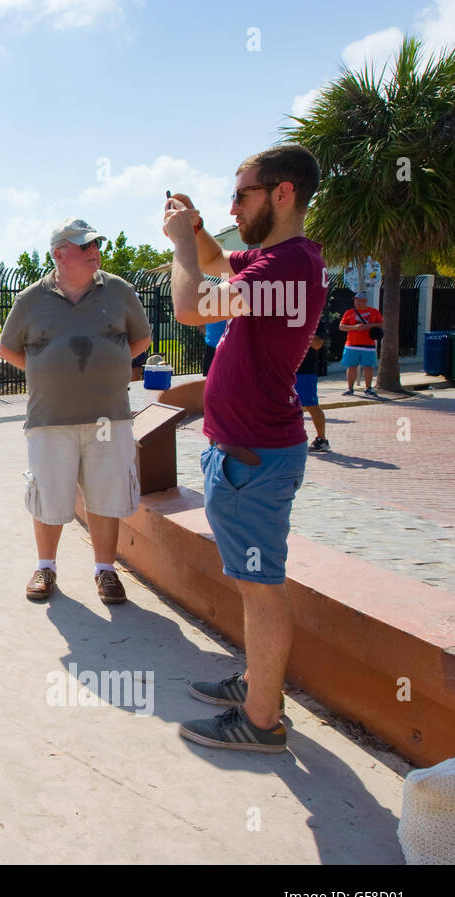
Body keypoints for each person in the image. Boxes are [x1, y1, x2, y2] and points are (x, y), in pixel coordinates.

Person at [164, 144, 329, 753]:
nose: (233, 205)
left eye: (243, 194)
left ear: (283, 193)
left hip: (253, 458)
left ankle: (261, 724)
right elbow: (217, 261)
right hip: (248, 455)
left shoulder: (284, 267)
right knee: (253, 581)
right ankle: (259, 684)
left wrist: (181, 243)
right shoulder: (280, 261)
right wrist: (201, 230)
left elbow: (190, 306)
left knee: (261, 588)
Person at [0, 218, 153, 605]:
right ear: (58, 255)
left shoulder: (119, 291)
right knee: (48, 495)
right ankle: (45, 567)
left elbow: (142, 338)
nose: (93, 251)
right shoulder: (30, 299)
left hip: (109, 417)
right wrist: (47, 370)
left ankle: (105, 571)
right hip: (49, 418)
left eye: (95, 244)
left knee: (107, 495)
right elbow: (8, 349)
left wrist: (109, 364)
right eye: (83, 246)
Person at [299, 313, 332, 452]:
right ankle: (294, 438)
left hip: (305, 370)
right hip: (285, 367)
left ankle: (322, 439)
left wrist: (303, 329)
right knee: (289, 406)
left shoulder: (315, 318)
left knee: (311, 405)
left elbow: (318, 344)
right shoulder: (283, 315)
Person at [339, 294, 383, 397]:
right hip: (352, 344)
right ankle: (350, 388)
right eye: (355, 301)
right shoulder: (349, 312)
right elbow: (341, 327)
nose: (357, 303)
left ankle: (368, 388)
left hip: (368, 344)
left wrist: (370, 325)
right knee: (352, 366)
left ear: (365, 301)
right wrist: (355, 327)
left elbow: (381, 324)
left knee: (368, 366)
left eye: (359, 301)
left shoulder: (374, 312)